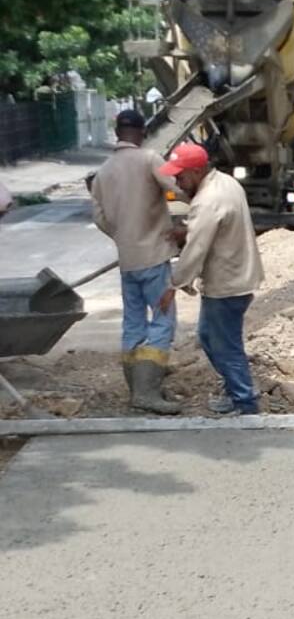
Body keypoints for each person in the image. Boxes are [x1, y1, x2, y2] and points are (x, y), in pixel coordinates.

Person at [159, 143, 264, 415]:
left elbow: (196, 248)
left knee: (226, 346)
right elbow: (211, 228)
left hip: (227, 283)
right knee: (209, 337)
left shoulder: (208, 200)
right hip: (237, 276)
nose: (177, 182)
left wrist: (173, 285)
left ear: (195, 171)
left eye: (180, 176)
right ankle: (235, 391)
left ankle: (245, 403)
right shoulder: (225, 183)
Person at [90, 108, 182, 414]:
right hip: (154, 256)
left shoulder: (103, 172)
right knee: (163, 320)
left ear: (117, 132)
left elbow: (99, 218)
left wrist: (123, 236)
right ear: (142, 133)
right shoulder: (150, 159)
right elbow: (176, 188)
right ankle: (146, 392)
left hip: (127, 261)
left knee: (133, 322)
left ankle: (137, 389)